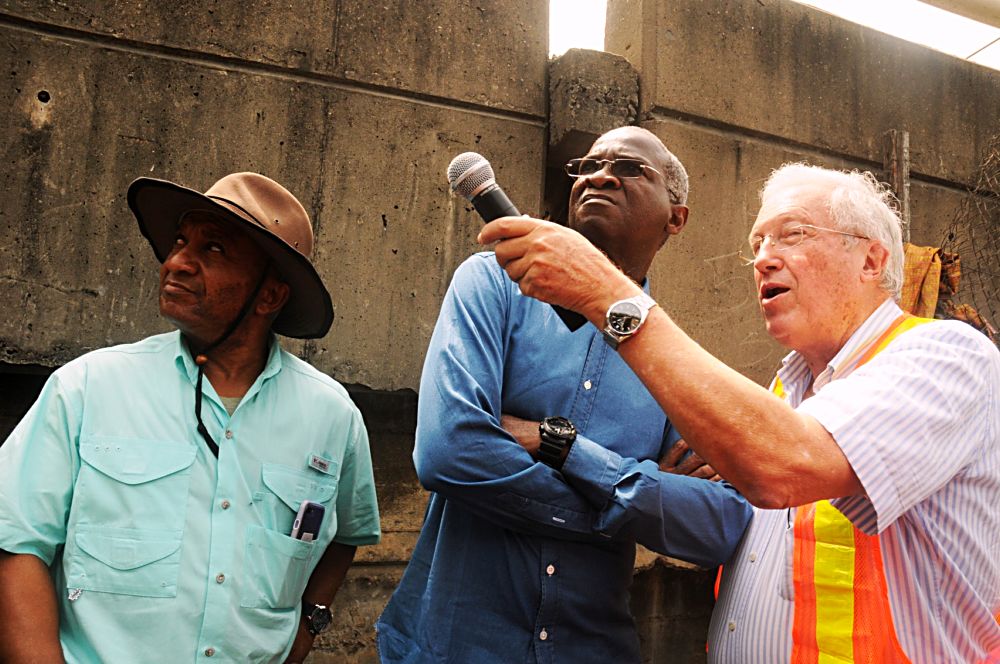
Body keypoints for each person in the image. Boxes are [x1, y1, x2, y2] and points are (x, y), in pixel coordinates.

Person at [478, 162, 1000, 663]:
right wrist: (581, 456)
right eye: (757, 244)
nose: (765, 258)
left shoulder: (947, 356)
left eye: (792, 234)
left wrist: (606, 292)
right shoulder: (784, 394)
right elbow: (723, 529)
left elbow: (784, 466)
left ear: (871, 260)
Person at [376, 126, 752, 663]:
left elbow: (721, 523)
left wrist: (563, 447)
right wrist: (630, 501)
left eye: (628, 168)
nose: (599, 175)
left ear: (676, 216)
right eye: (588, 166)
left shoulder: (670, 357)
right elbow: (448, 453)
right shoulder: (491, 285)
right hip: (456, 645)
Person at [0, 172, 381, 663]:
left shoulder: (332, 417)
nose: (177, 263)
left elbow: (345, 535)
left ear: (270, 296)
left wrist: (309, 625)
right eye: (181, 242)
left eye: (215, 249)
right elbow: (15, 543)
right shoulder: (88, 388)